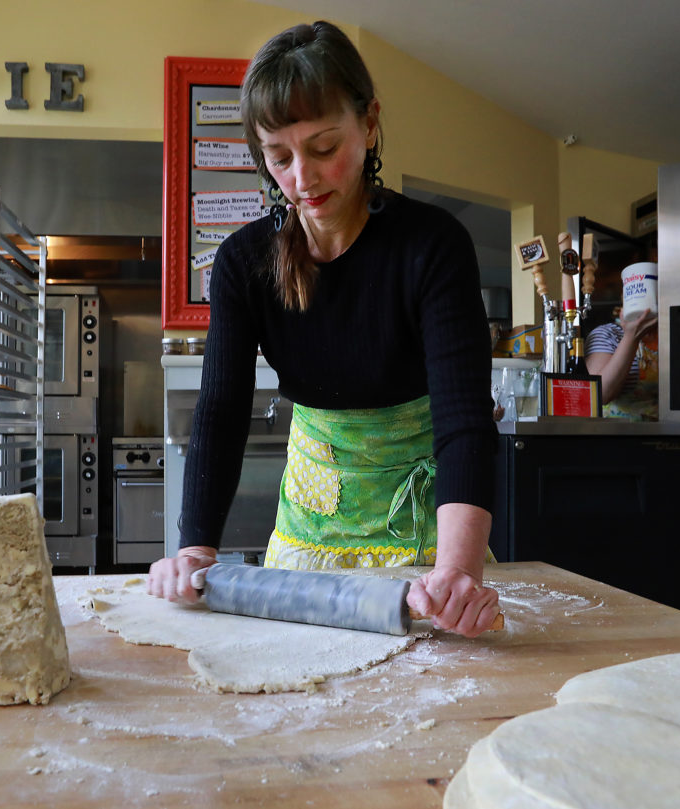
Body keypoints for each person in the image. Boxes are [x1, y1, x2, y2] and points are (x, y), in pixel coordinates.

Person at [147, 21, 500, 638]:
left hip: (425, 546)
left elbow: (463, 415)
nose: (303, 179)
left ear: (369, 125)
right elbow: (222, 409)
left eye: (323, 146)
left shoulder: (431, 247)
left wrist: (458, 572)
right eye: (279, 157)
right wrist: (195, 549)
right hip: (305, 544)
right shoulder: (242, 263)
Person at [585, 306, 659, 421]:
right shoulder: (609, 334)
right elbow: (600, 395)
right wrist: (631, 336)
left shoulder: (678, 330)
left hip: (675, 433)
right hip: (619, 434)